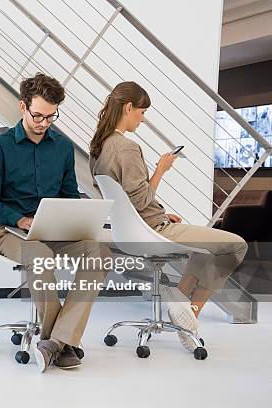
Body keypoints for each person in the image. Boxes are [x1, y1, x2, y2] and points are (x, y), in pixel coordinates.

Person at [89, 81, 248, 352]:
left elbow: (127, 202)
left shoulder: (100, 147)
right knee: (236, 246)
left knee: (205, 248)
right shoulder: (126, 147)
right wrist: (161, 169)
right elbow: (140, 199)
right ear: (128, 108)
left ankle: (180, 303)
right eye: (141, 112)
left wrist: (158, 212)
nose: (142, 119)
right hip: (152, 229)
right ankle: (190, 314)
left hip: (137, 228)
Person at [0, 73, 110, 372]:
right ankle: (60, 341)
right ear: (22, 107)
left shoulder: (61, 148)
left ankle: (55, 342)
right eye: (37, 115)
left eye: (51, 117)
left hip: (53, 229)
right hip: (9, 230)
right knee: (40, 256)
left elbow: (68, 194)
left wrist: (77, 218)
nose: (43, 122)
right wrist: (20, 219)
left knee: (99, 252)